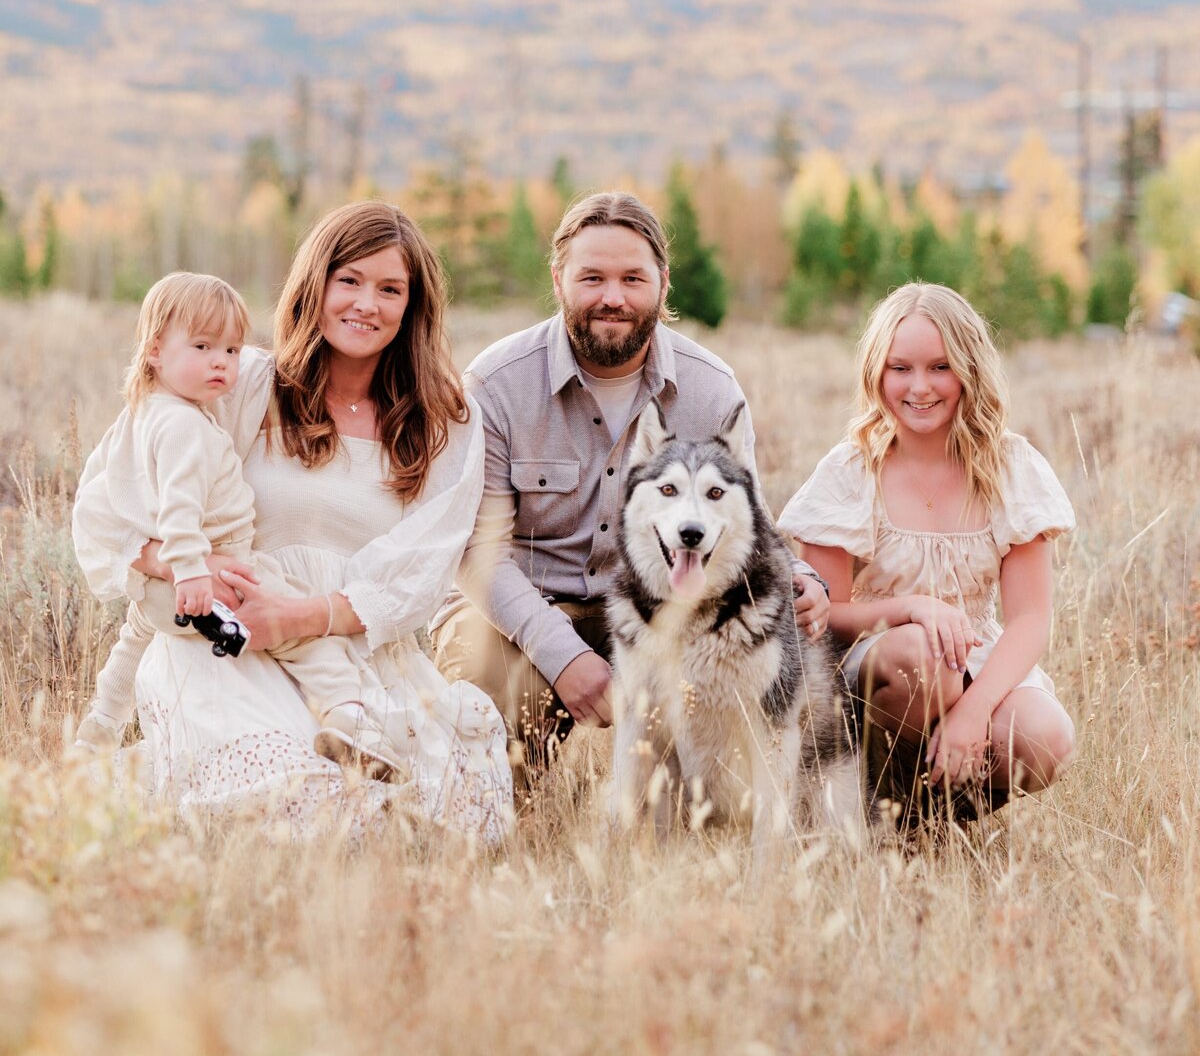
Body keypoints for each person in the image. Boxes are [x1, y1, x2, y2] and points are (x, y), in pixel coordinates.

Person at [72, 203, 512, 844]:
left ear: (413, 306)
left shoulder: (446, 421)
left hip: (354, 654)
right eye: (349, 280)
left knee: (436, 811)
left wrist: (301, 617)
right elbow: (110, 486)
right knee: (290, 795)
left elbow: (421, 569)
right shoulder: (243, 381)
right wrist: (173, 560)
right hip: (230, 646)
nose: (367, 303)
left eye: (390, 289)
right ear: (317, 284)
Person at [430, 190, 829, 765]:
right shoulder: (497, 383)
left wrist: (802, 577)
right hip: (522, 606)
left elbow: (746, 521)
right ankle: (507, 820)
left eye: (632, 279)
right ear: (559, 277)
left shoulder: (710, 388)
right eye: (591, 278)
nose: (611, 298)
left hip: (664, 606)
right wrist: (561, 654)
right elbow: (477, 550)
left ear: (663, 284)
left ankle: (695, 819)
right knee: (485, 686)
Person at [73, 270, 404, 778]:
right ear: (155, 350)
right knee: (303, 628)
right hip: (214, 572)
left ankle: (96, 734)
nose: (221, 363)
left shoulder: (150, 412)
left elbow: (126, 492)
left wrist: (169, 570)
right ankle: (349, 718)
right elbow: (180, 509)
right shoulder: (184, 425)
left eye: (230, 350)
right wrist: (189, 570)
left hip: (163, 588)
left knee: (131, 642)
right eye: (203, 346)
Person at [778, 282, 1076, 805]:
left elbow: (1030, 619)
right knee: (923, 653)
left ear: (970, 369)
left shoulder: (1010, 467)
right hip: (874, 669)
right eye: (901, 368)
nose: (920, 387)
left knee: (1045, 734)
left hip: (973, 662)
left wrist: (973, 710)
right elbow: (823, 618)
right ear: (877, 372)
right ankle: (873, 802)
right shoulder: (851, 471)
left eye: (940, 367)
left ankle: (935, 812)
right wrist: (914, 608)